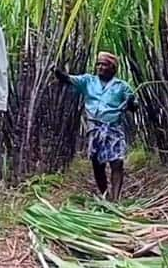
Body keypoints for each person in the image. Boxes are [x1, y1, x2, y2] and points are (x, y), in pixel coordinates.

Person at [53, 52, 138, 201]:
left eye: (104, 64)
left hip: (113, 128)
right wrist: (56, 71)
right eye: (98, 64)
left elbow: (134, 106)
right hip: (95, 129)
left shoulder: (121, 86)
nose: (99, 67)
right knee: (97, 164)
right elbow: (68, 79)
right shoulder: (88, 81)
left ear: (112, 68)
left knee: (117, 162)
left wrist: (131, 103)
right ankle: (105, 196)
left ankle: (116, 198)